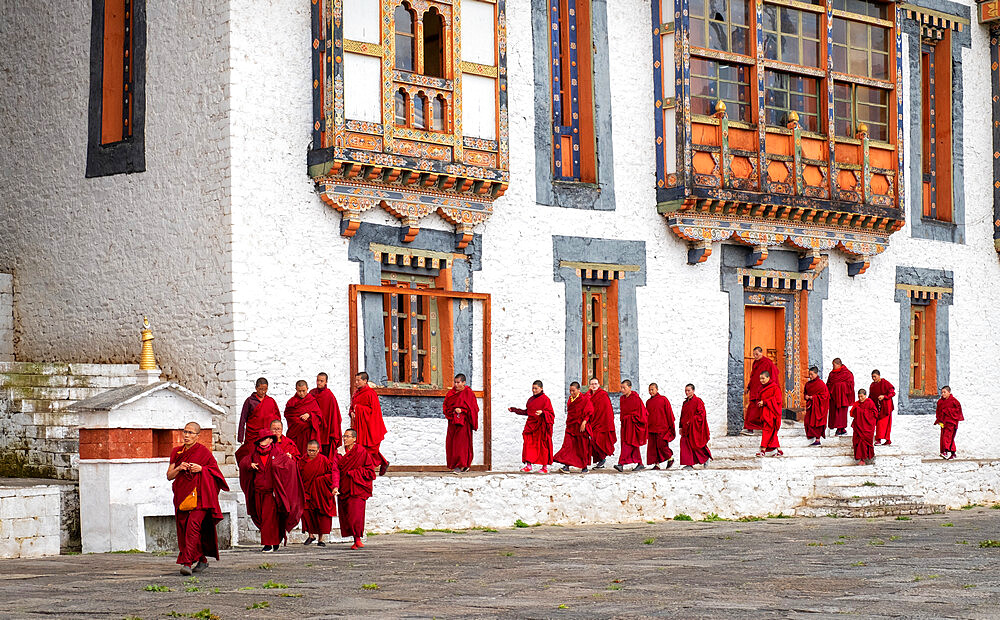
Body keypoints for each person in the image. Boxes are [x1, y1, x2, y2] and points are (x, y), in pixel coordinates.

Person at [166, 422, 229, 576]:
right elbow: (169, 476)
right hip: (182, 497)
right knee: (184, 529)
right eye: (185, 432)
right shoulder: (177, 452)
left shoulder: (204, 452)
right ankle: (202, 559)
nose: (187, 435)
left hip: (200, 498)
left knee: (193, 528)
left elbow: (216, 473)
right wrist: (180, 468)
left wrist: (202, 469)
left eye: (191, 433)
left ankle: (186, 563)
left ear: (197, 435)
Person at [238, 429, 304, 552]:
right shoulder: (255, 452)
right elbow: (243, 462)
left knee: (269, 518)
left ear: (270, 439)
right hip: (258, 491)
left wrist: (287, 460)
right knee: (263, 518)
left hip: (271, 493)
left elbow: (289, 465)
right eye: (261, 440)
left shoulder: (277, 451)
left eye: (265, 439)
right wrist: (249, 464)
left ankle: (268, 544)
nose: (263, 442)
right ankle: (276, 541)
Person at [337, 429, 377, 550]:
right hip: (344, 487)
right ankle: (355, 538)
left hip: (357, 488)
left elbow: (370, 471)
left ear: (354, 439)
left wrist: (354, 473)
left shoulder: (361, 452)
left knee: (357, 515)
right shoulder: (339, 452)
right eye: (344, 436)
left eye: (348, 436)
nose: (345, 439)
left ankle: (357, 539)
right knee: (348, 516)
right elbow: (335, 469)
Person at [298, 440, 338, 547]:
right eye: (309, 450)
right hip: (307, 492)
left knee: (321, 515)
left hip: (320, 492)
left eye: (314, 451)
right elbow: (298, 475)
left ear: (318, 450)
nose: (311, 453)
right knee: (307, 514)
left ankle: (321, 539)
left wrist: (320, 480)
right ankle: (311, 535)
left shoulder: (323, 460)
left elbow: (331, 473)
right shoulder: (302, 461)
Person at [509, 380, 554, 474]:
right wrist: (515, 410)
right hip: (531, 425)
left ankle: (544, 467)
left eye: (536, 388)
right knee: (528, 444)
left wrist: (543, 412)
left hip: (541, 426)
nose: (534, 390)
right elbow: (528, 412)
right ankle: (528, 465)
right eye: (533, 388)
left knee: (543, 446)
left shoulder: (546, 399)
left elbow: (551, 414)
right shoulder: (530, 400)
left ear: (541, 388)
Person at [350, 372, 389, 476]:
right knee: (361, 448)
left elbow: (374, 412)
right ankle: (380, 463)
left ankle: (370, 468)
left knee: (368, 449)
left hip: (368, 426)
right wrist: (352, 413)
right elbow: (352, 407)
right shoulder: (356, 393)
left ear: (365, 381)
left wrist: (358, 409)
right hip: (359, 425)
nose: (356, 383)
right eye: (356, 380)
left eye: (359, 380)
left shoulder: (370, 393)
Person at [236, 377, 281, 464]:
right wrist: (240, 437)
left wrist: (277, 432)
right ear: (256, 388)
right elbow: (243, 419)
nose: (263, 392)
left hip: (268, 434)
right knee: (252, 455)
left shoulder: (271, 401)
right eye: (260, 389)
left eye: (265, 389)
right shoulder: (249, 401)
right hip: (253, 435)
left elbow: (277, 417)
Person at [443, 373, 480, 474]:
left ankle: (461, 465)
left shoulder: (469, 393)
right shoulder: (451, 394)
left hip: (464, 423)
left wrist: (462, 411)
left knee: (461, 445)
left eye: (458, 382)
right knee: (451, 443)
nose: (456, 385)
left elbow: (474, 409)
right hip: (453, 422)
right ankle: (455, 465)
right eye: (455, 382)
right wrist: (453, 411)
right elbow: (446, 407)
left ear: (464, 383)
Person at [554, 381, 592, 473]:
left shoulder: (584, 399)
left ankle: (584, 467)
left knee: (581, 447)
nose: (572, 393)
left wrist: (584, 422)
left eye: (573, 391)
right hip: (571, 426)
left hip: (580, 427)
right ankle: (566, 466)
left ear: (579, 390)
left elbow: (590, 411)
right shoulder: (570, 399)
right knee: (568, 446)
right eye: (570, 391)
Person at [742, 347, 781, 436]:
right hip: (755, 388)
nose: (755, 356)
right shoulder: (755, 363)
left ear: (761, 353)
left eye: (757, 354)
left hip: (763, 389)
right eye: (754, 354)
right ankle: (750, 428)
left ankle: (760, 428)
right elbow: (753, 376)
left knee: (762, 410)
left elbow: (774, 375)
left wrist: (771, 388)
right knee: (752, 408)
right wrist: (748, 386)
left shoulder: (768, 362)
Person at [614, 380, 648, 472]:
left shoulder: (635, 398)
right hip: (625, 425)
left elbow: (642, 413)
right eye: (621, 388)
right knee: (633, 445)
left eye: (624, 388)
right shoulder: (622, 399)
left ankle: (621, 464)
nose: (622, 390)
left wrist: (630, 418)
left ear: (630, 387)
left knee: (627, 444)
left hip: (633, 425)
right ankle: (640, 463)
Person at [285, 380, 323, 455]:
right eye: (299, 391)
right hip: (297, 434)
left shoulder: (312, 400)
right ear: (296, 389)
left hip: (309, 434)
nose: (301, 393)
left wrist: (310, 415)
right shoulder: (291, 403)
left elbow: (318, 415)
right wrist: (302, 423)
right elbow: (289, 417)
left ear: (307, 389)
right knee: (297, 454)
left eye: (303, 391)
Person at [679, 384, 712, 469]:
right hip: (686, 428)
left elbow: (701, 415)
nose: (687, 392)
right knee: (685, 445)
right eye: (685, 391)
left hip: (694, 427)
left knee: (696, 444)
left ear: (693, 391)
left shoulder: (698, 401)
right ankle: (689, 464)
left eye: (688, 390)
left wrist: (691, 421)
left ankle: (705, 457)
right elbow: (682, 415)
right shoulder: (685, 403)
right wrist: (680, 426)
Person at [310, 372, 343, 456]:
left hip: (326, 428)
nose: (319, 383)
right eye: (318, 380)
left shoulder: (329, 396)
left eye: (321, 381)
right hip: (314, 425)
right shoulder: (312, 393)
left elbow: (335, 415)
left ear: (326, 382)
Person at [586, 378, 617, 468]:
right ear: (589, 386)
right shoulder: (588, 395)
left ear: (599, 385)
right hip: (593, 421)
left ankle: (602, 459)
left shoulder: (603, 395)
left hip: (602, 422)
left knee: (598, 439)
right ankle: (600, 460)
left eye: (595, 384)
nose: (594, 385)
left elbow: (607, 410)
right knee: (592, 441)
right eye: (592, 384)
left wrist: (608, 421)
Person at [645, 383, 675, 469]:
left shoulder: (663, 399)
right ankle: (656, 464)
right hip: (651, 427)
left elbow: (669, 413)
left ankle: (670, 458)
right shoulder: (648, 402)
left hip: (662, 427)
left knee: (662, 445)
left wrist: (670, 425)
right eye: (649, 390)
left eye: (652, 389)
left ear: (657, 389)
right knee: (653, 448)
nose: (651, 391)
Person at [756, 370, 783, 457]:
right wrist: (760, 403)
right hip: (765, 413)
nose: (761, 380)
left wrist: (765, 402)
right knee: (771, 433)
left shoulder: (775, 388)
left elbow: (777, 400)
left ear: (768, 378)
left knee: (767, 431)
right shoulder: (762, 388)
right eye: (760, 379)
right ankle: (779, 450)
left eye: (763, 378)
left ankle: (763, 450)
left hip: (772, 413)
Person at [849, 389, 878, 465]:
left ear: (865, 396)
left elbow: (875, 413)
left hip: (867, 427)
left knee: (866, 443)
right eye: (859, 397)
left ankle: (867, 459)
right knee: (859, 443)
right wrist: (857, 410)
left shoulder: (870, 402)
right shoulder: (857, 403)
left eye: (862, 396)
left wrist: (861, 411)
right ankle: (860, 459)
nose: (860, 398)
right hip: (858, 427)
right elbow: (851, 413)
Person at [826, 359, 855, 436]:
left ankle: (841, 429)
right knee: (835, 413)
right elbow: (828, 384)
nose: (833, 367)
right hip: (834, 397)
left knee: (842, 413)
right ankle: (839, 429)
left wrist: (839, 386)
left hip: (843, 397)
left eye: (834, 365)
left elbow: (851, 385)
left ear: (839, 364)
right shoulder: (832, 374)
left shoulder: (847, 373)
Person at [803, 366, 829, 446]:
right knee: (808, 420)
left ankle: (817, 439)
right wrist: (806, 396)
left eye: (812, 374)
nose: (810, 376)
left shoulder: (821, 384)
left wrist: (813, 397)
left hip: (818, 407)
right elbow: (805, 392)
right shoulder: (808, 384)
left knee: (817, 422)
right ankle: (811, 435)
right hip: (811, 406)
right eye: (809, 374)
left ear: (816, 374)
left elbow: (825, 396)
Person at [935, 386, 964, 460]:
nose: (943, 394)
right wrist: (939, 420)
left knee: (947, 437)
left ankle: (945, 451)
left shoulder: (954, 401)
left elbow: (958, 412)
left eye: (944, 392)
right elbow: (938, 411)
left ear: (949, 392)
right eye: (942, 393)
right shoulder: (940, 401)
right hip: (943, 422)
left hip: (951, 422)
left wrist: (947, 410)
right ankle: (953, 453)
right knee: (947, 438)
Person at [869, 370, 896, 446]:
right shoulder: (872, 385)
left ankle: (880, 439)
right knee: (878, 423)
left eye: (875, 376)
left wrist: (884, 396)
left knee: (883, 423)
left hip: (886, 406)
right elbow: (871, 396)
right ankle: (885, 440)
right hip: (878, 407)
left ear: (879, 376)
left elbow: (892, 393)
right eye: (872, 377)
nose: (874, 378)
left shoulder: (885, 383)